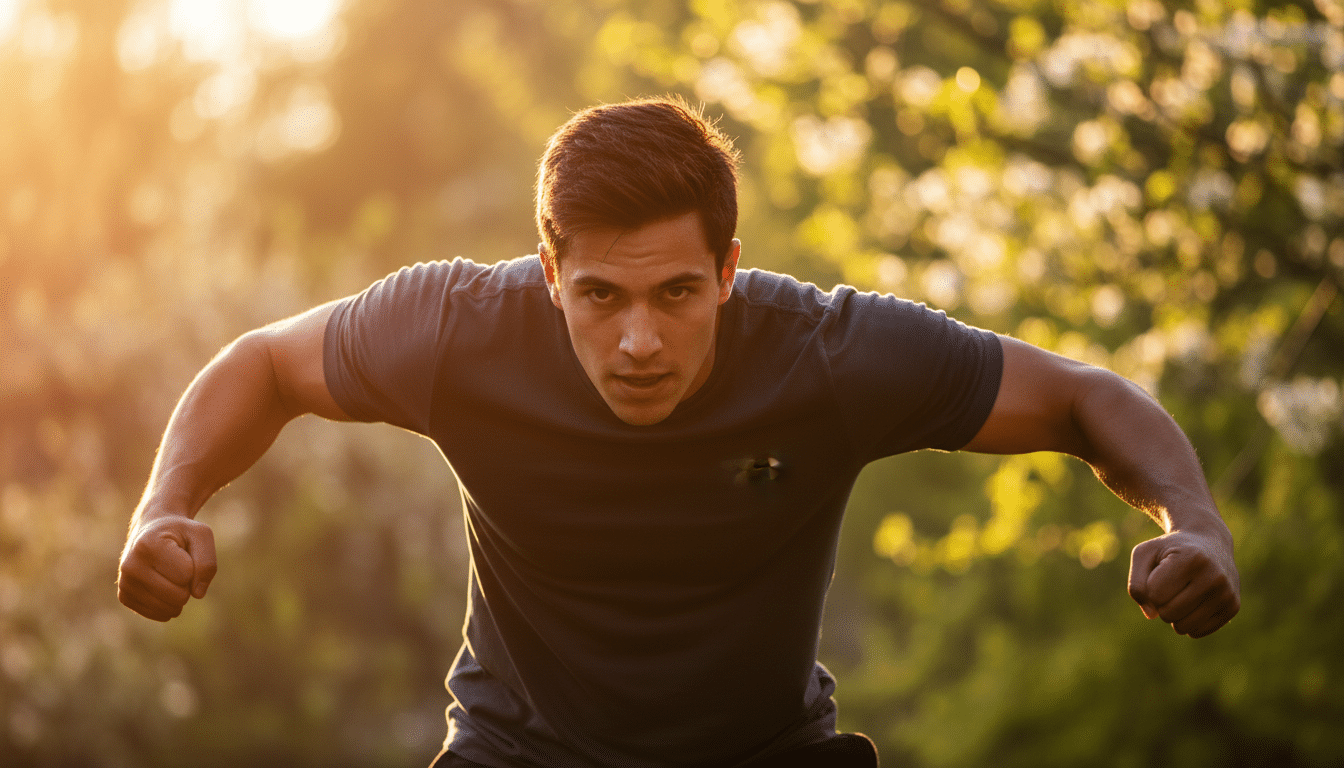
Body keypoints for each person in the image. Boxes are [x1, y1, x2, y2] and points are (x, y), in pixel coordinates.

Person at [117, 97, 1241, 768]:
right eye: (601, 296)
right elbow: (264, 365)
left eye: (678, 294)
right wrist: (164, 506)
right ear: (550, 271)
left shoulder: (828, 355)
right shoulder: (457, 330)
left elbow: (1081, 397)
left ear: (729, 270)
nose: (640, 340)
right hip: (520, 753)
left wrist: (1194, 523)